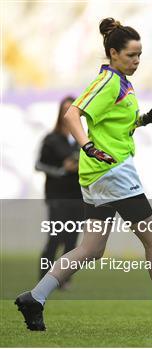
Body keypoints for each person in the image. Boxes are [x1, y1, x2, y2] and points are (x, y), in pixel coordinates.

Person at [15, 17, 152, 331]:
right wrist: (88, 147)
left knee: (92, 248)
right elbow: (72, 114)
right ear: (113, 53)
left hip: (100, 175)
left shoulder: (121, 81)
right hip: (112, 172)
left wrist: (146, 119)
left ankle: (35, 297)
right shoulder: (108, 81)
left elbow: (118, 125)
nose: (136, 61)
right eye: (131, 55)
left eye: (139, 56)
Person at [35, 96, 84, 289]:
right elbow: (39, 165)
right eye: (66, 109)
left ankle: (63, 279)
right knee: (55, 238)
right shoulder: (51, 139)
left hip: (78, 197)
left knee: (72, 242)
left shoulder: (83, 140)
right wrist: (62, 169)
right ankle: (43, 279)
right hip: (57, 197)